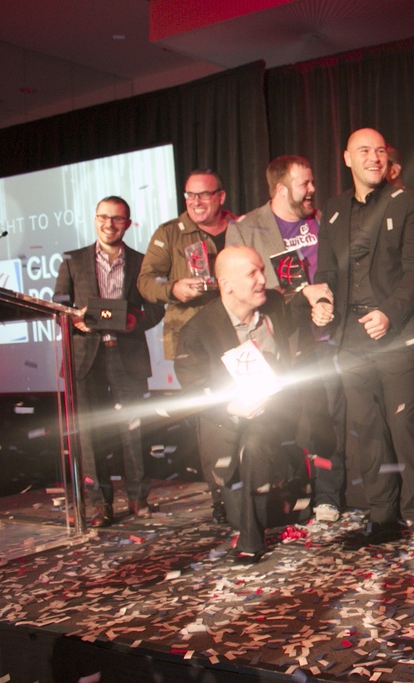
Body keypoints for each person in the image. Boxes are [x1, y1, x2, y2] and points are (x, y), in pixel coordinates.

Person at [310, 127, 414, 558]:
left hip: (396, 334)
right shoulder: (331, 210)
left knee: (405, 424)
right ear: (346, 158)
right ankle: (383, 517)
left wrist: (388, 313)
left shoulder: (409, 202)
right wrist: (323, 301)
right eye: (364, 151)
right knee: (366, 429)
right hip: (350, 339)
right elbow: (326, 272)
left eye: (380, 151)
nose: (373, 157)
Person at [225, 155, 346, 525]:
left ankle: (329, 496)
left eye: (312, 183)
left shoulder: (326, 220)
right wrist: (302, 294)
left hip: (327, 336)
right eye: (304, 184)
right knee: (283, 424)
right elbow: (245, 286)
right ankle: (282, 495)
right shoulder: (246, 228)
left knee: (328, 418)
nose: (312, 190)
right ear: (280, 188)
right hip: (280, 342)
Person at [174, 245, 301, 564]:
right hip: (225, 420)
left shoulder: (275, 305)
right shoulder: (198, 330)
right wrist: (232, 407)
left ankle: (251, 540)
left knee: (256, 445)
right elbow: (193, 387)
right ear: (227, 285)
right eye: (252, 273)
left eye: (262, 270)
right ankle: (238, 515)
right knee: (235, 503)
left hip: (272, 415)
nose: (262, 279)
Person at [54, 196, 164, 527]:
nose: (109, 224)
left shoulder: (143, 262)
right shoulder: (72, 261)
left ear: (128, 224)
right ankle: (100, 504)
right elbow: (59, 304)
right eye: (103, 217)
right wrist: (75, 319)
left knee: (135, 428)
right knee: (91, 433)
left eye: (117, 219)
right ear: (94, 219)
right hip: (87, 355)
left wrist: (134, 322)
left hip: (126, 351)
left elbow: (156, 308)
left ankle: (138, 497)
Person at [137, 169, 236, 524]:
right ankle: (221, 496)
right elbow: (146, 281)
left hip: (239, 333)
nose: (195, 202)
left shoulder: (239, 227)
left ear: (220, 197)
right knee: (211, 418)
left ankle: (255, 486)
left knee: (252, 409)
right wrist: (173, 289)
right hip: (192, 338)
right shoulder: (169, 233)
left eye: (203, 195)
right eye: (189, 196)